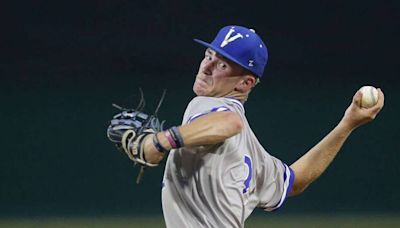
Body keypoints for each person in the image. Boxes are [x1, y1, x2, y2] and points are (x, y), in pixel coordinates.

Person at [138, 25, 384, 227]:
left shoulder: (204, 104)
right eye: (208, 56)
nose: (206, 68)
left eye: (221, 65)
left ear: (245, 83)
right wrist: (348, 124)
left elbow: (228, 122)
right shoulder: (252, 152)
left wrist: (161, 141)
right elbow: (295, 181)